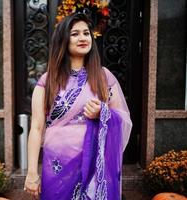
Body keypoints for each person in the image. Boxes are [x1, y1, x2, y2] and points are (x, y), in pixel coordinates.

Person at [24, 13, 132, 200]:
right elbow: (36, 128)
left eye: (86, 33)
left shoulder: (104, 77)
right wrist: (32, 172)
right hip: (57, 167)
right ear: (63, 40)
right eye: (75, 34)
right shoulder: (48, 81)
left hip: (92, 169)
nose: (83, 38)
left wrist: (103, 113)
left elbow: (123, 119)